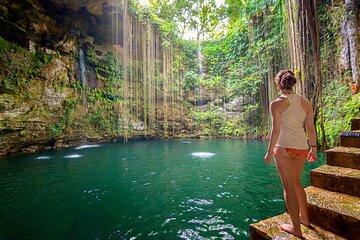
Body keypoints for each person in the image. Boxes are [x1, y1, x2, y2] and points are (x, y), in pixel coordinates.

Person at [264, 69, 317, 239]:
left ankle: (296, 228)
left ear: (278, 84)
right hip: (301, 148)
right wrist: (313, 148)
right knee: (296, 183)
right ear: (293, 83)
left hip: (283, 148)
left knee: (288, 187)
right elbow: (310, 128)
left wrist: (269, 151)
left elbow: (276, 130)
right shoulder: (305, 103)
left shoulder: (276, 104)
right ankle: (305, 218)